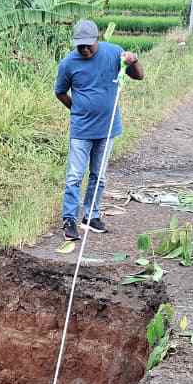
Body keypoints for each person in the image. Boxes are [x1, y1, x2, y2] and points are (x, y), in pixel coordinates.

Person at [54, 19, 144, 241]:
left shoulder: (114, 53)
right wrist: (77, 109)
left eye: (88, 45)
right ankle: (69, 220)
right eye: (80, 45)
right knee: (75, 176)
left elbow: (138, 75)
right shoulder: (68, 63)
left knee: (99, 176)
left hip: (107, 128)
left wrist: (133, 61)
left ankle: (91, 216)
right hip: (81, 129)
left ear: (97, 39)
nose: (84, 49)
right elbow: (60, 92)